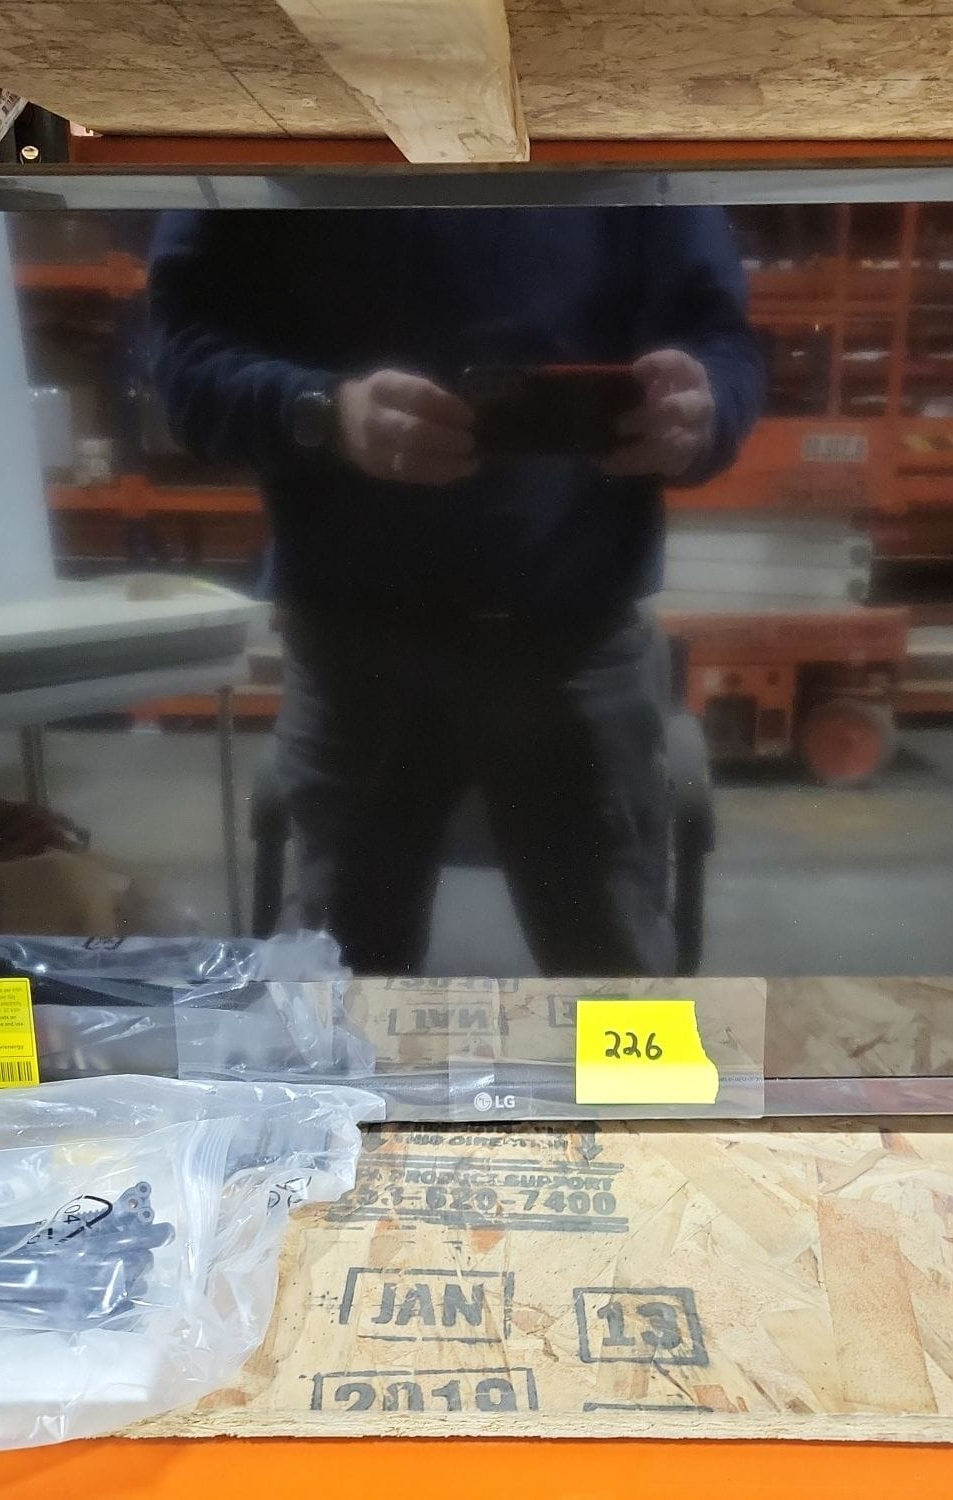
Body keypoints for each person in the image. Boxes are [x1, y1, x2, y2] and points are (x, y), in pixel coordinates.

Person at [144, 205, 763, 976]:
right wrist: (324, 412)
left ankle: (632, 1067)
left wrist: (705, 409)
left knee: (618, 986)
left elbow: (720, 340)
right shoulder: (263, 139)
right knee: (343, 987)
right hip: (359, 643)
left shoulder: (625, 140)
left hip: (570, 630)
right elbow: (185, 361)